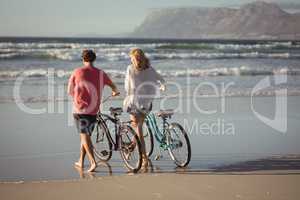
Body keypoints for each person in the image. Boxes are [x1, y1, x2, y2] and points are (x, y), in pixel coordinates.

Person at [68, 49, 119, 172]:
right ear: (94, 59)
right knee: (86, 136)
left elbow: (69, 91)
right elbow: (113, 85)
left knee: (84, 136)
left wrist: (77, 96)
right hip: (94, 109)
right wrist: (114, 91)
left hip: (80, 109)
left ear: (83, 59)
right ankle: (81, 160)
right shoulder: (101, 73)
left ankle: (92, 162)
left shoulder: (77, 72)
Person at [123, 48, 165, 168]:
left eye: (132, 58)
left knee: (138, 130)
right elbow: (161, 80)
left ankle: (144, 158)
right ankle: (131, 147)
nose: (131, 61)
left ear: (134, 59)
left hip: (135, 103)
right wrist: (161, 87)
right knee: (138, 128)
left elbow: (128, 87)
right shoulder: (150, 69)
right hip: (147, 104)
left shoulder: (130, 69)